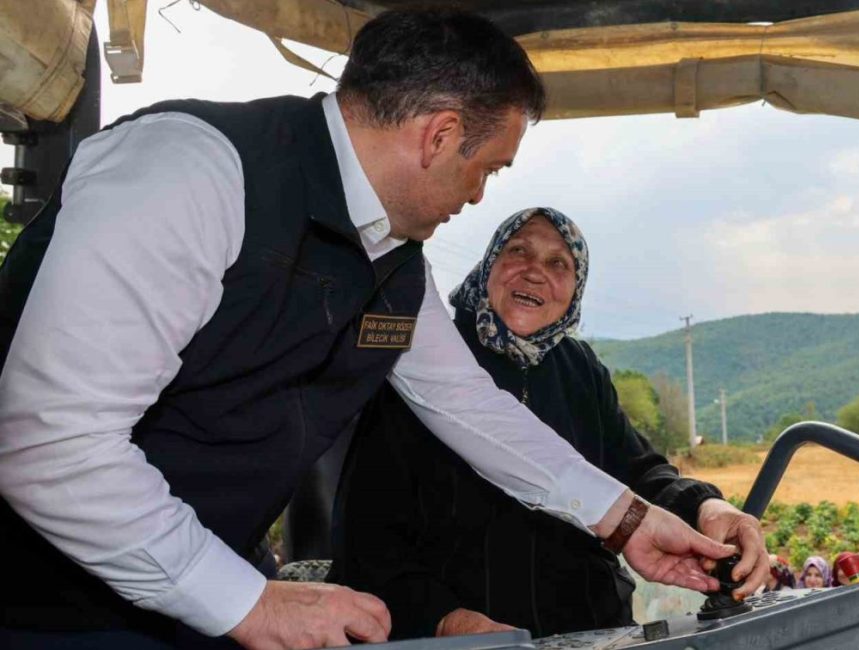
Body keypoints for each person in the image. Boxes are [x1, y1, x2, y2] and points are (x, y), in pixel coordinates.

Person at [0, 9, 745, 649]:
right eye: (486, 168)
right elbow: (49, 444)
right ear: (440, 135)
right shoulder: (191, 171)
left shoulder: (393, 262)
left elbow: (469, 407)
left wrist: (627, 522)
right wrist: (247, 601)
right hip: (53, 608)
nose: (477, 195)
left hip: (202, 594)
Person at [328, 207, 770, 639]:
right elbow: (366, 541)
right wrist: (444, 620)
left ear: (575, 290)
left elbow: (637, 470)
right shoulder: (425, 365)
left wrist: (708, 508)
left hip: (590, 628)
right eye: (518, 252)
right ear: (489, 264)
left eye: (558, 262)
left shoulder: (580, 369)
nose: (535, 272)